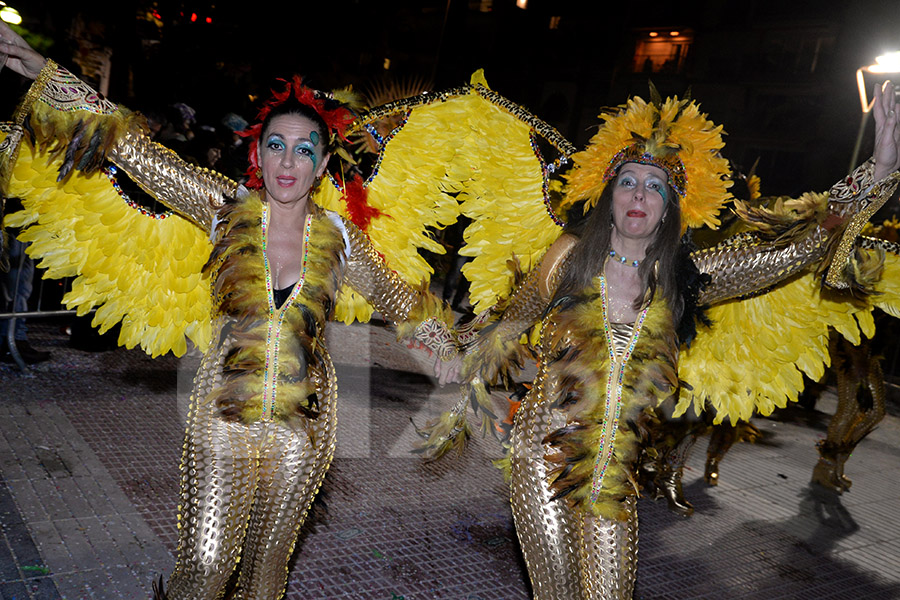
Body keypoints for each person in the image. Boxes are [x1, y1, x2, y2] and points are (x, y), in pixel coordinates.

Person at [0, 24, 459, 600]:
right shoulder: (226, 209)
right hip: (222, 413)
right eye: (276, 145)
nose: (287, 162)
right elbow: (138, 153)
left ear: (321, 167)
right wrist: (46, 75)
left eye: (304, 150)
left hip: (305, 425)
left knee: (266, 577)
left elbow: (400, 300)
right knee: (207, 567)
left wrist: (445, 348)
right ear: (257, 153)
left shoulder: (341, 237)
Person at [425, 83, 900, 598]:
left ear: (672, 207)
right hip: (542, 458)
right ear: (608, 196)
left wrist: (876, 172)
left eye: (655, 186)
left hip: (618, 474)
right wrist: (462, 354)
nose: (638, 195)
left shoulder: (686, 278)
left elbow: (794, 251)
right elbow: (513, 320)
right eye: (628, 181)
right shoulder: (568, 256)